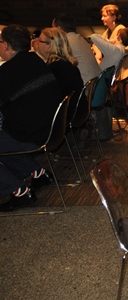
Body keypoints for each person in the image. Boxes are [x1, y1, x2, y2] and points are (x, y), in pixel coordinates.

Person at [0, 25, 61, 211]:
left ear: (6, 45)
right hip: (51, 128)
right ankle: (37, 173)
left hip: (33, 134)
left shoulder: (8, 71)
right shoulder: (35, 60)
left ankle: (19, 191)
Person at [34, 27, 86, 122]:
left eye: (40, 41)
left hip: (65, 117)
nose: (36, 43)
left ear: (50, 45)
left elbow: (45, 99)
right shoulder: (66, 63)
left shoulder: (54, 68)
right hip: (77, 112)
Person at [52, 13, 101, 84]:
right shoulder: (80, 39)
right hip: (96, 83)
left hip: (86, 86)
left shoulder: (66, 43)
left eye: (52, 28)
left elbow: (54, 63)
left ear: (59, 28)